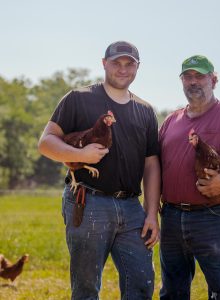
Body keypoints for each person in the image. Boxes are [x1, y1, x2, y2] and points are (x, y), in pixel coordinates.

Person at [38, 41, 161, 300]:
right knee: (86, 288)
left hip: (131, 207)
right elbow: (46, 142)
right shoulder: (78, 98)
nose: (123, 69)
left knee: (141, 283)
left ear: (138, 68)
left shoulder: (146, 112)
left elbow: (151, 164)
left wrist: (151, 213)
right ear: (104, 63)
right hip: (88, 201)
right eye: (116, 62)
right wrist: (80, 155)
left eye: (130, 64)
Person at [159, 55, 220, 300]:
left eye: (200, 76)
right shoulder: (171, 121)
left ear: (213, 80)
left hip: (212, 215)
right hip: (171, 216)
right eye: (187, 76)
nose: (193, 82)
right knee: (172, 291)